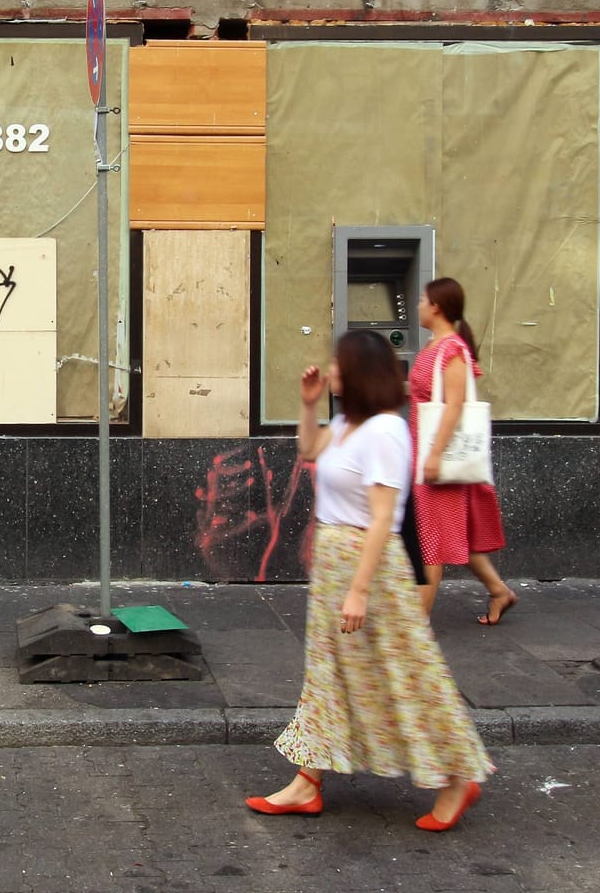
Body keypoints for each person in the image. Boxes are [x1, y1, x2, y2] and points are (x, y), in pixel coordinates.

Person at [245, 330, 493, 831]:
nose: (330, 370)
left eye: (338, 365)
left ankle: (456, 775)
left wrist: (359, 589)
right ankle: (306, 782)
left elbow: (383, 518)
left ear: (360, 372)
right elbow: (309, 448)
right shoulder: (346, 423)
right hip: (337, 560)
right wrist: (309, 404)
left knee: (404, 670)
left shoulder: (385, 431)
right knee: (327, 671)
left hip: (369, 566)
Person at [410, 278, 515, 623]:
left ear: (436, 307)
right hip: (424, 452)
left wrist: (435, 455)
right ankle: (500, 591)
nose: (418, 304)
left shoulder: (452, 349)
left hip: (436, 456)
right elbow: (422, 392)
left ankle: (417, 625)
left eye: (423, 299)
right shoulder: (433, 346)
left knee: (430, 540)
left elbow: (454, 407)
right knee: (452, 534)